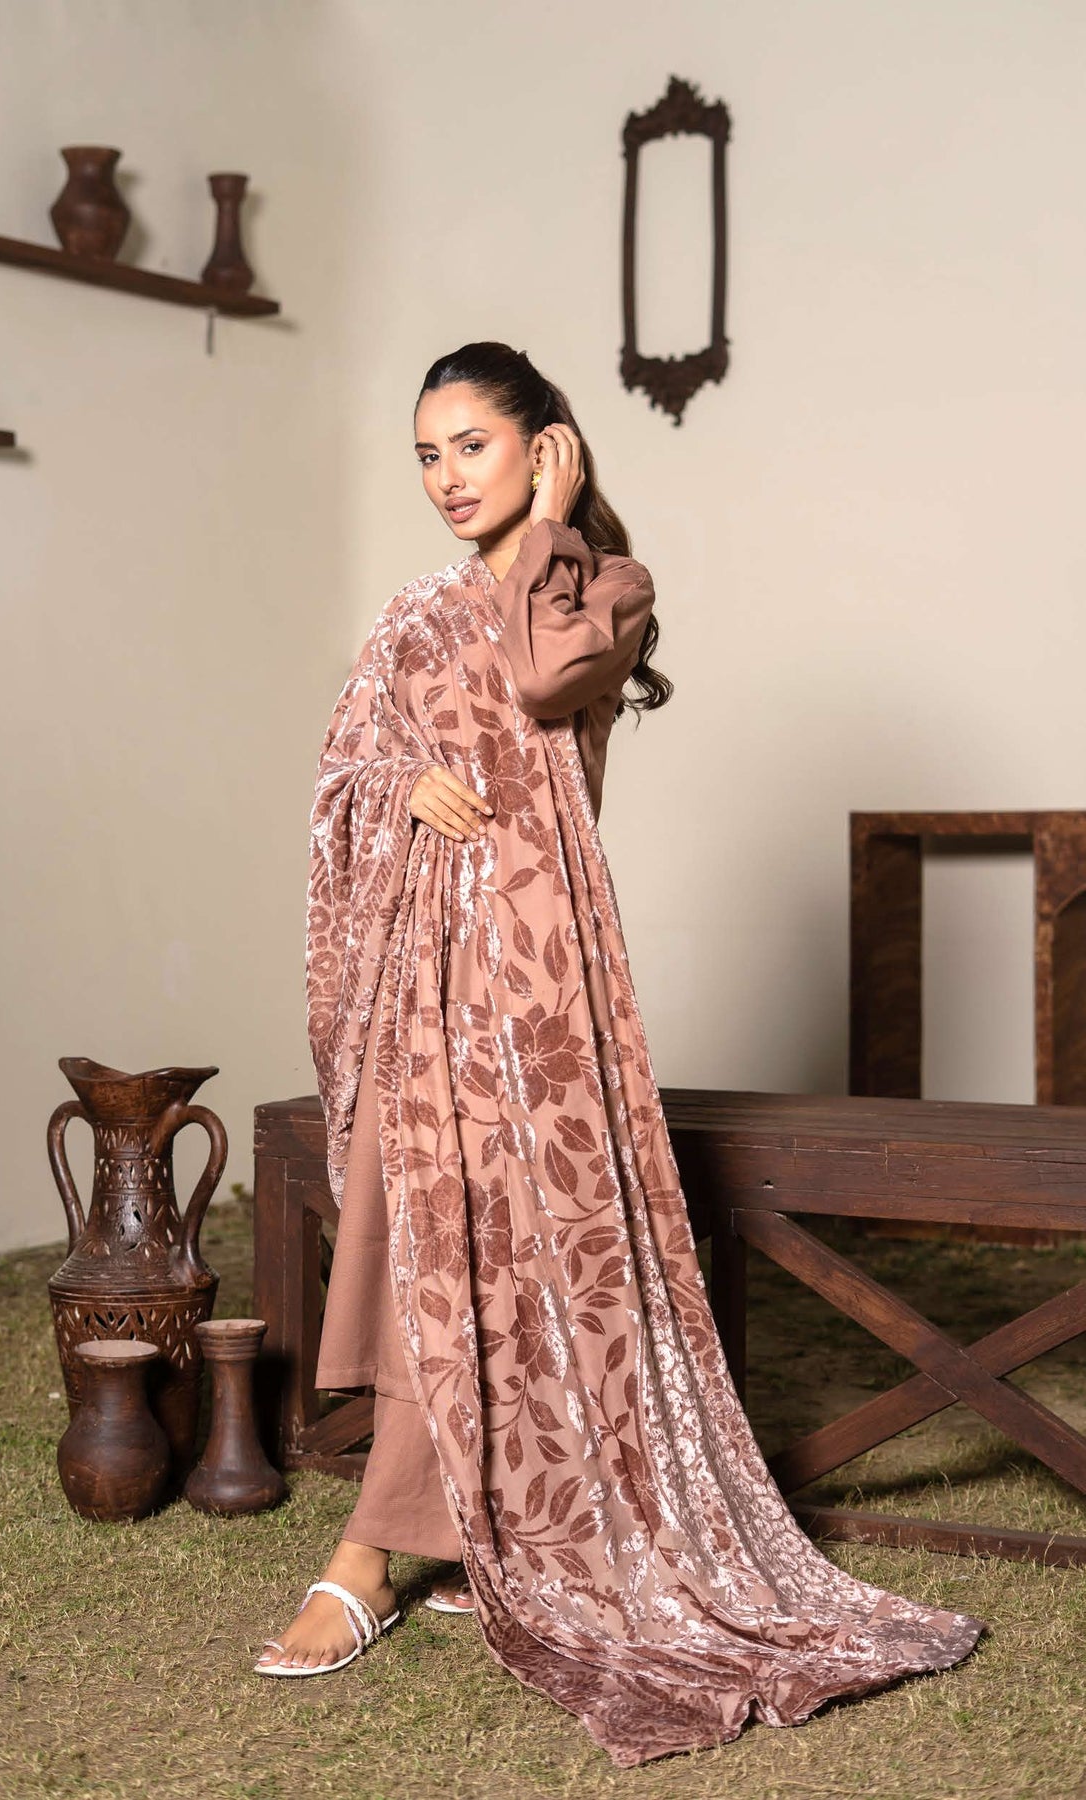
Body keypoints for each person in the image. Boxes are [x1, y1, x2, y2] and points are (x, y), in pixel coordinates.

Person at [257, 343, 985, 1768]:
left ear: (547, 447)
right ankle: (470, 1531)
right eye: (427, 455)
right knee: (433, 1238)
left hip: (537, 975)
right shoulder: (410, 614)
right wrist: (400, 782)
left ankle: (366, 1558)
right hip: (423, 970)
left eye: (473, 445)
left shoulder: (603, 591)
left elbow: (541, 684)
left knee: (514, 1244)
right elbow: (346, 766)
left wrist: (549, 531)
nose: (446, 477)